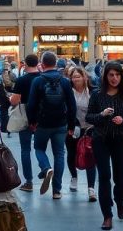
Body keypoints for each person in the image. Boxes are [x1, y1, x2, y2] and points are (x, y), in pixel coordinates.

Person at [86, 62, 123, 230]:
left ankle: (120, 199)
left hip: (121, 139)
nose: (114, 78)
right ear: (105, 76)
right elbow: (89, 117)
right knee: (104, 177)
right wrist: (101, 115)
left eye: (117, 75)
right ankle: (107, 215)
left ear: (121, 76)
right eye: (111, 75)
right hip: (101, 139)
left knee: (120, 178)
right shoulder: (97, 95)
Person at [27, 51, 77, 198]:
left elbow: (31, 104)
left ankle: (46, 167)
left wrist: (32, 122)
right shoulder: (65, 82)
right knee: (59, 154)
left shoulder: (37, 81)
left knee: (39, 148)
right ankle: (57, 190)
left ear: (41, 64)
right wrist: (71, 126)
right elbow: (72, 105)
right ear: (56, 63)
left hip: (42, 124)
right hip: (61, 124)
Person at [10, 54, 42, 191]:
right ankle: (46, 169)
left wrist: (10, 99)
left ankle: (28, 181)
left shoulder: (21, 80)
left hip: (25, 117)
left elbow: (14, 100)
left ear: (25, 64)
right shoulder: (42, 78)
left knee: (25, 149)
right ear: (38, 63)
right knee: (41, 149)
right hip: (42, 117)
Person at [66, 66, 97, 202]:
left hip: (90, 128)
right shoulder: (68, 92)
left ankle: (91, 188)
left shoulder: (92, 91)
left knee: (90, 156)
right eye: (73, 77)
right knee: (72, 153)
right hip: (73, 128)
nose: (76, 79)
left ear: (85, 77)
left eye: (78, 76)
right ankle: (74, 177)